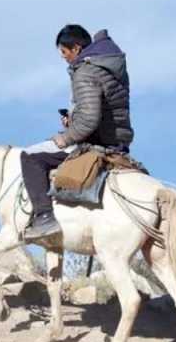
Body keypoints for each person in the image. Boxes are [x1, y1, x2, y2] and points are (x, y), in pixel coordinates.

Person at [20, 24, 134, 240]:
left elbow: (90, 119)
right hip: (118, 138)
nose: (63, 57)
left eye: (64, 52)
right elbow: (103, 110)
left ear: (77, 48)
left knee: (29, 156)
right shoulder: (109, 65)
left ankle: (44, 218)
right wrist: (72, 120)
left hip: (97, 141)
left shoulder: (85, 71)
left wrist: (66, 137)